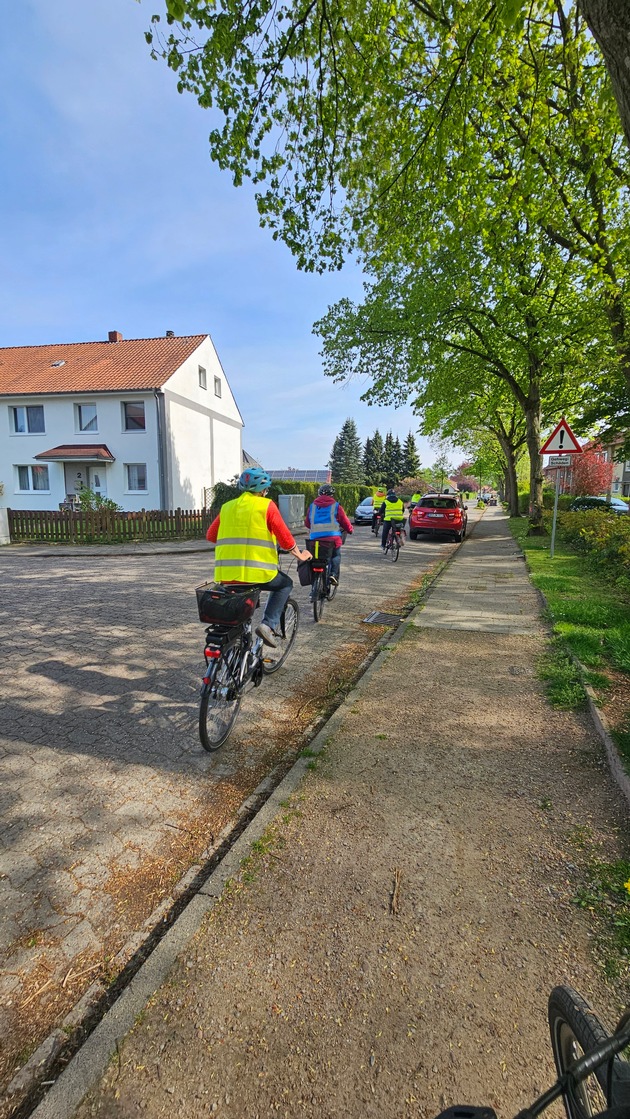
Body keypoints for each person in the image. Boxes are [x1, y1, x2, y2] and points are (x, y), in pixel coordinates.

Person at [206, 468, 311, 648]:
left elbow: (211, 535)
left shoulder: (227, 507)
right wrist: (300, 555)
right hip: (259, 574)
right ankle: (267, 625)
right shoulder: (266, 505)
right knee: (285, 584)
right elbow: (285, 538)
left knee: (239, 614)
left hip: (227, 576)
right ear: (263, 490)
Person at [304, 484, 354, 585]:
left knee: (315, 558)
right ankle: (333, 574)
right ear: (332, 495)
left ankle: (314, 579)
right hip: (332, 539)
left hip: (315, 539)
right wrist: (350, 529)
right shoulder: (336, 506)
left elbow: (307, 523)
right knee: (335, 555)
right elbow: (344, 521)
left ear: (319, 494)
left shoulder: (312, 506)